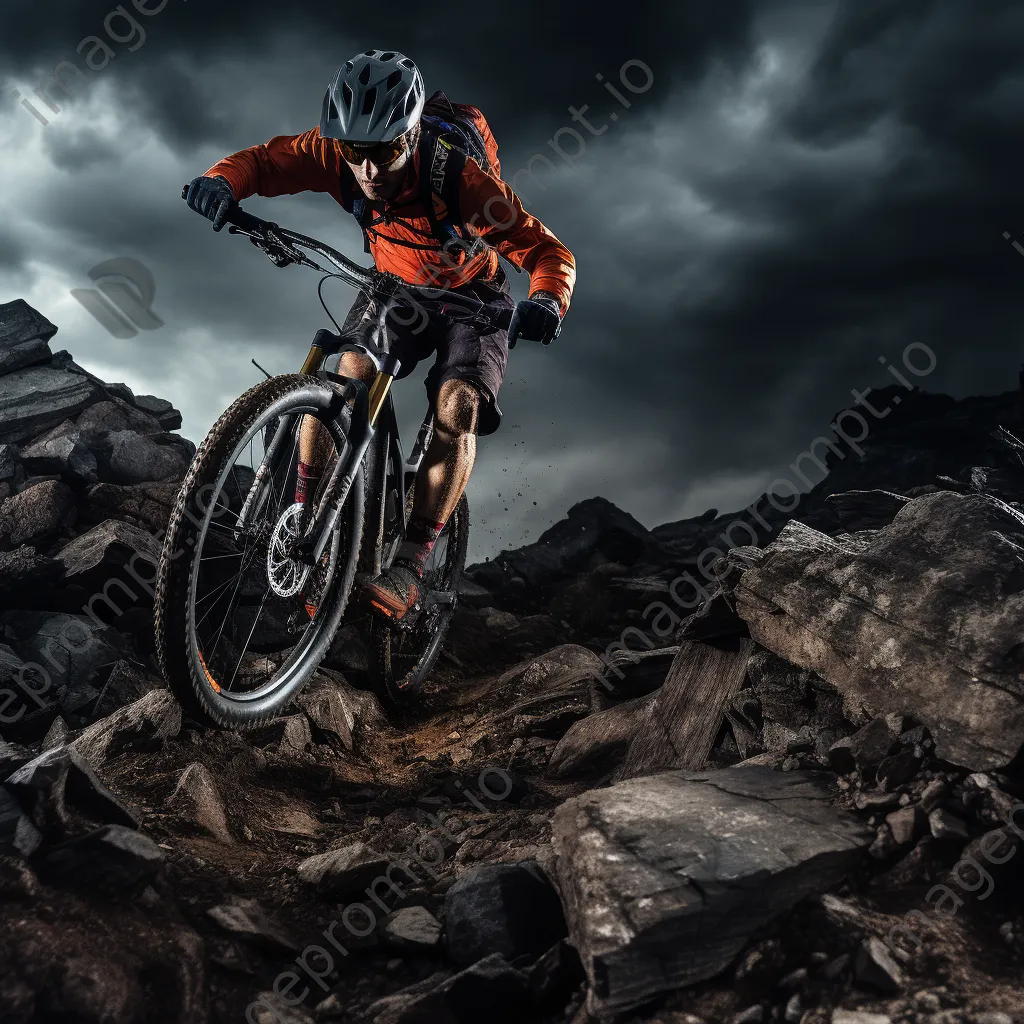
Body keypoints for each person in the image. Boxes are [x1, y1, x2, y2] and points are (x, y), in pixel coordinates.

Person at [184, 49, 575, 620]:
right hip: (396, 291)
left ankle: (410, 565)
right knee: (348, 378)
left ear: (412, 137)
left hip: (476, 301)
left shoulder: (460, 180)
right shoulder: (336, 154)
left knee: (457, 404)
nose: (367, 171)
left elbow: (547, 251)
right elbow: (264, 163)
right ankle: (307, 517)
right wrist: (220, 183)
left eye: (385, 153)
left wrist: (546, 299)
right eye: (355, 153)